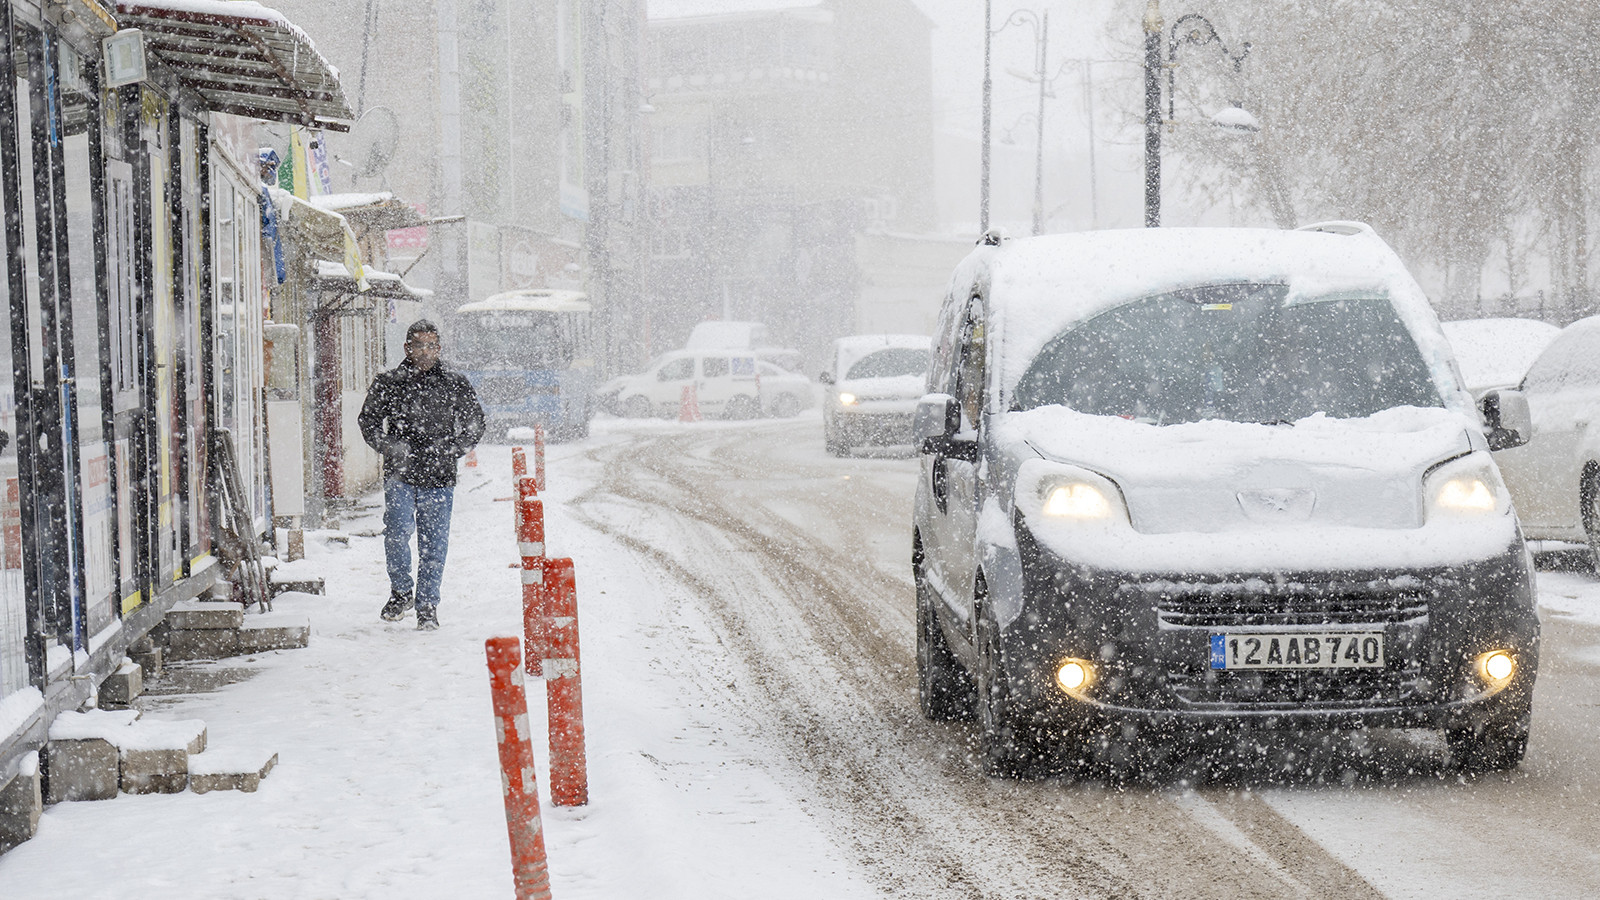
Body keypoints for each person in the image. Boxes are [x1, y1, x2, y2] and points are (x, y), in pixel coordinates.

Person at [358, 320, 485, 630]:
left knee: (434, 543)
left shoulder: (454, 384)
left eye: (431, 346)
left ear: (439, 349)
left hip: (440, 476)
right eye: (419, 345)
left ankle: (427, 604)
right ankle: (401, 593)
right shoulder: (389, 383)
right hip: (401, 474)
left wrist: (452, 449)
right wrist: (390, 446)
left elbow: (475, 423)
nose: (425, 352)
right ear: (407, 348)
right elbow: (368, 421)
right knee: (397, 533)